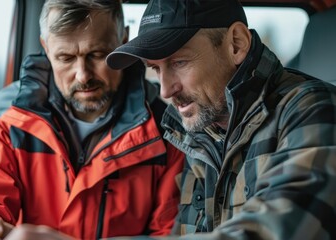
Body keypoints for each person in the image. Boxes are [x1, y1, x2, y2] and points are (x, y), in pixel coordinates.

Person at [0, 0, 184, 239]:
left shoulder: (167, 135)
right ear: (46, 48)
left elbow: (168, 235)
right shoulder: (8, 121)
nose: (82, 76)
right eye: (66, 58)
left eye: (97, 55)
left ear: (123, 40)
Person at [107, 0, 336, 239]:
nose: (165, 90)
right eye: (155, 68)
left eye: (179, 62)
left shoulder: (313, 110)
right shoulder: (200, 137)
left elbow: (279, 231)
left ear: (236, 44)